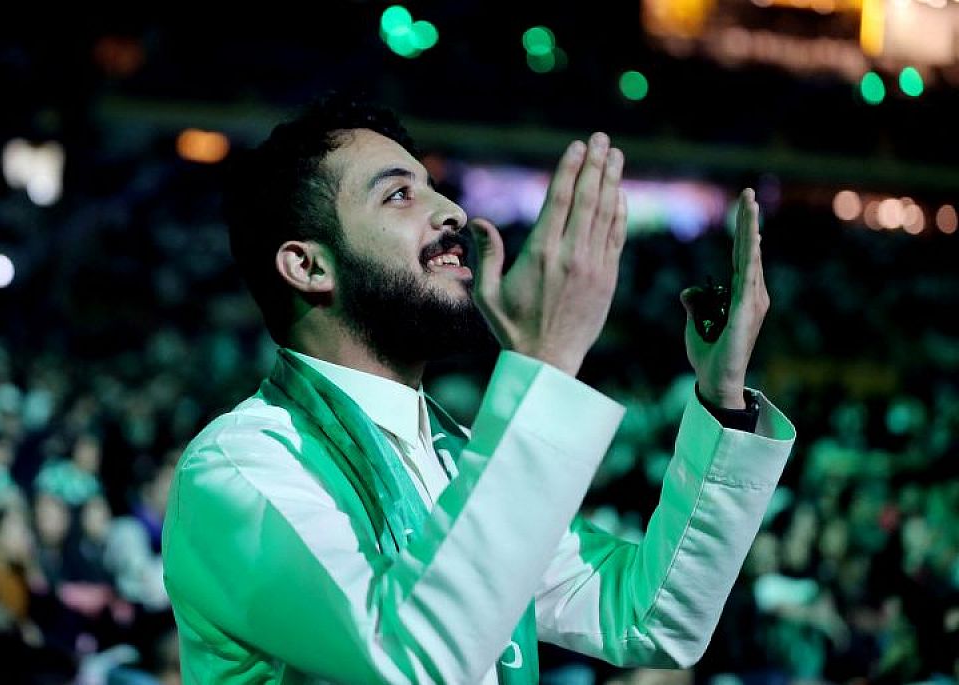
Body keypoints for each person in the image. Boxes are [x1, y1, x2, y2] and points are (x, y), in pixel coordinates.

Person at [161, 94, 796, 684]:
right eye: (399, 196)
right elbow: (410, 661)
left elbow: (644, 617)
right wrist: (545, 365)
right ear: (308, 265)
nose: (452, 211)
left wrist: (722, 400)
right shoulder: (240, 470)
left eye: (433, 186)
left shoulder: (458, 453)